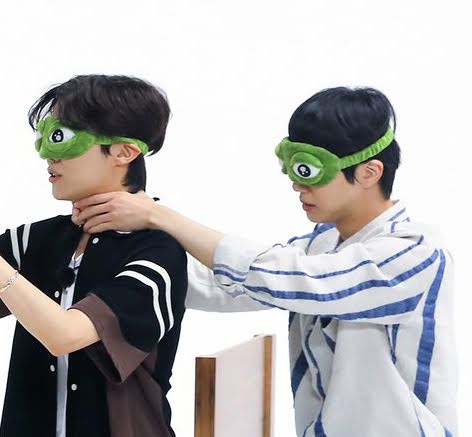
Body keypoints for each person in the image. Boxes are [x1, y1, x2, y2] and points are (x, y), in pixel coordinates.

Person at [73, 86, 457, 436]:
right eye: (290, 167)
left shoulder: (415, 252)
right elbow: (222, 285)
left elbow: (292, 278)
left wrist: (159, 216)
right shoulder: (321, 245)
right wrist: (125, 252)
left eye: (308, 170)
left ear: (369, 172)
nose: (296, 184)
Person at [0, 74, 187, 437]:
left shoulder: (159, 253)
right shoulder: (34, 239)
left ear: (124, 152)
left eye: (62, 137)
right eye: (45, 136)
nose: (48, 154)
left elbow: (65, 335)